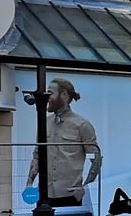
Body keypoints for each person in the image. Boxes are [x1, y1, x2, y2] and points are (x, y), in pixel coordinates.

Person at [26, 77, 103, 207]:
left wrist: (85, 187)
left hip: (70, 196)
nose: (47, 97)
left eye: (50, 93)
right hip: (44, 195)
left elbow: (95, 158)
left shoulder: (82, 125)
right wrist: (29, 184)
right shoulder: (45, 123)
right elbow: (37, 155)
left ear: (64, 95)